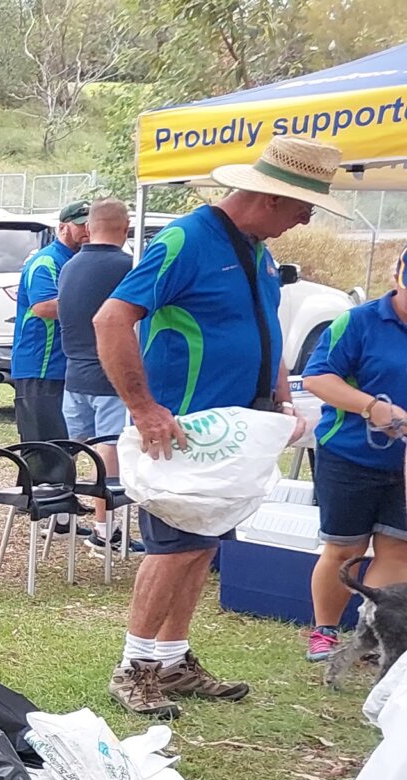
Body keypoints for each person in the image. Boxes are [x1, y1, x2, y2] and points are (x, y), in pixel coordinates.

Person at [94, 134, 344, 718]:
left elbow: (265, 329)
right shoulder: (187, 239)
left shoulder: (256, 250)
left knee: (202, 544)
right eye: (304, 206)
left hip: (235, 432)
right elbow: (110, 320)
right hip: (183, 429)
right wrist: (144, 408)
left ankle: (172, 660)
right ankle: (134, 667)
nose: (307, 219)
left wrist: (281, 400)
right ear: (270, 197)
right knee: (174, 549)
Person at [302, 252, 407, 661]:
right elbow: (317, 376)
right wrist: (371, 407)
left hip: (403, 464)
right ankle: (324, 630)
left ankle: (371, 634)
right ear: (397, 277)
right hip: (349, 454)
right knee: (345, 549)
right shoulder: (359, 322)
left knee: (398, 549)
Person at [57, 198, 136, 548]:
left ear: (89, 228)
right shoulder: (129, 267)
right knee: (108, 447)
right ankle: (104, 528)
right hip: (109, 375)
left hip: (74, 372)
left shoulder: (69, 267)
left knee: (74, 445)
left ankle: (60, 514)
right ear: (126, 229)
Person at [10, 201, 89, 445]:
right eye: (81, 225)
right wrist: (95, 304)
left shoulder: (81, 260)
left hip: (68, 365)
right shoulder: (47, 261)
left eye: (91, 224)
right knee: (42, 447)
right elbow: (44, 306)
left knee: (67, 444)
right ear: (62, 227)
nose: (87, 230)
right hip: (40, 365)